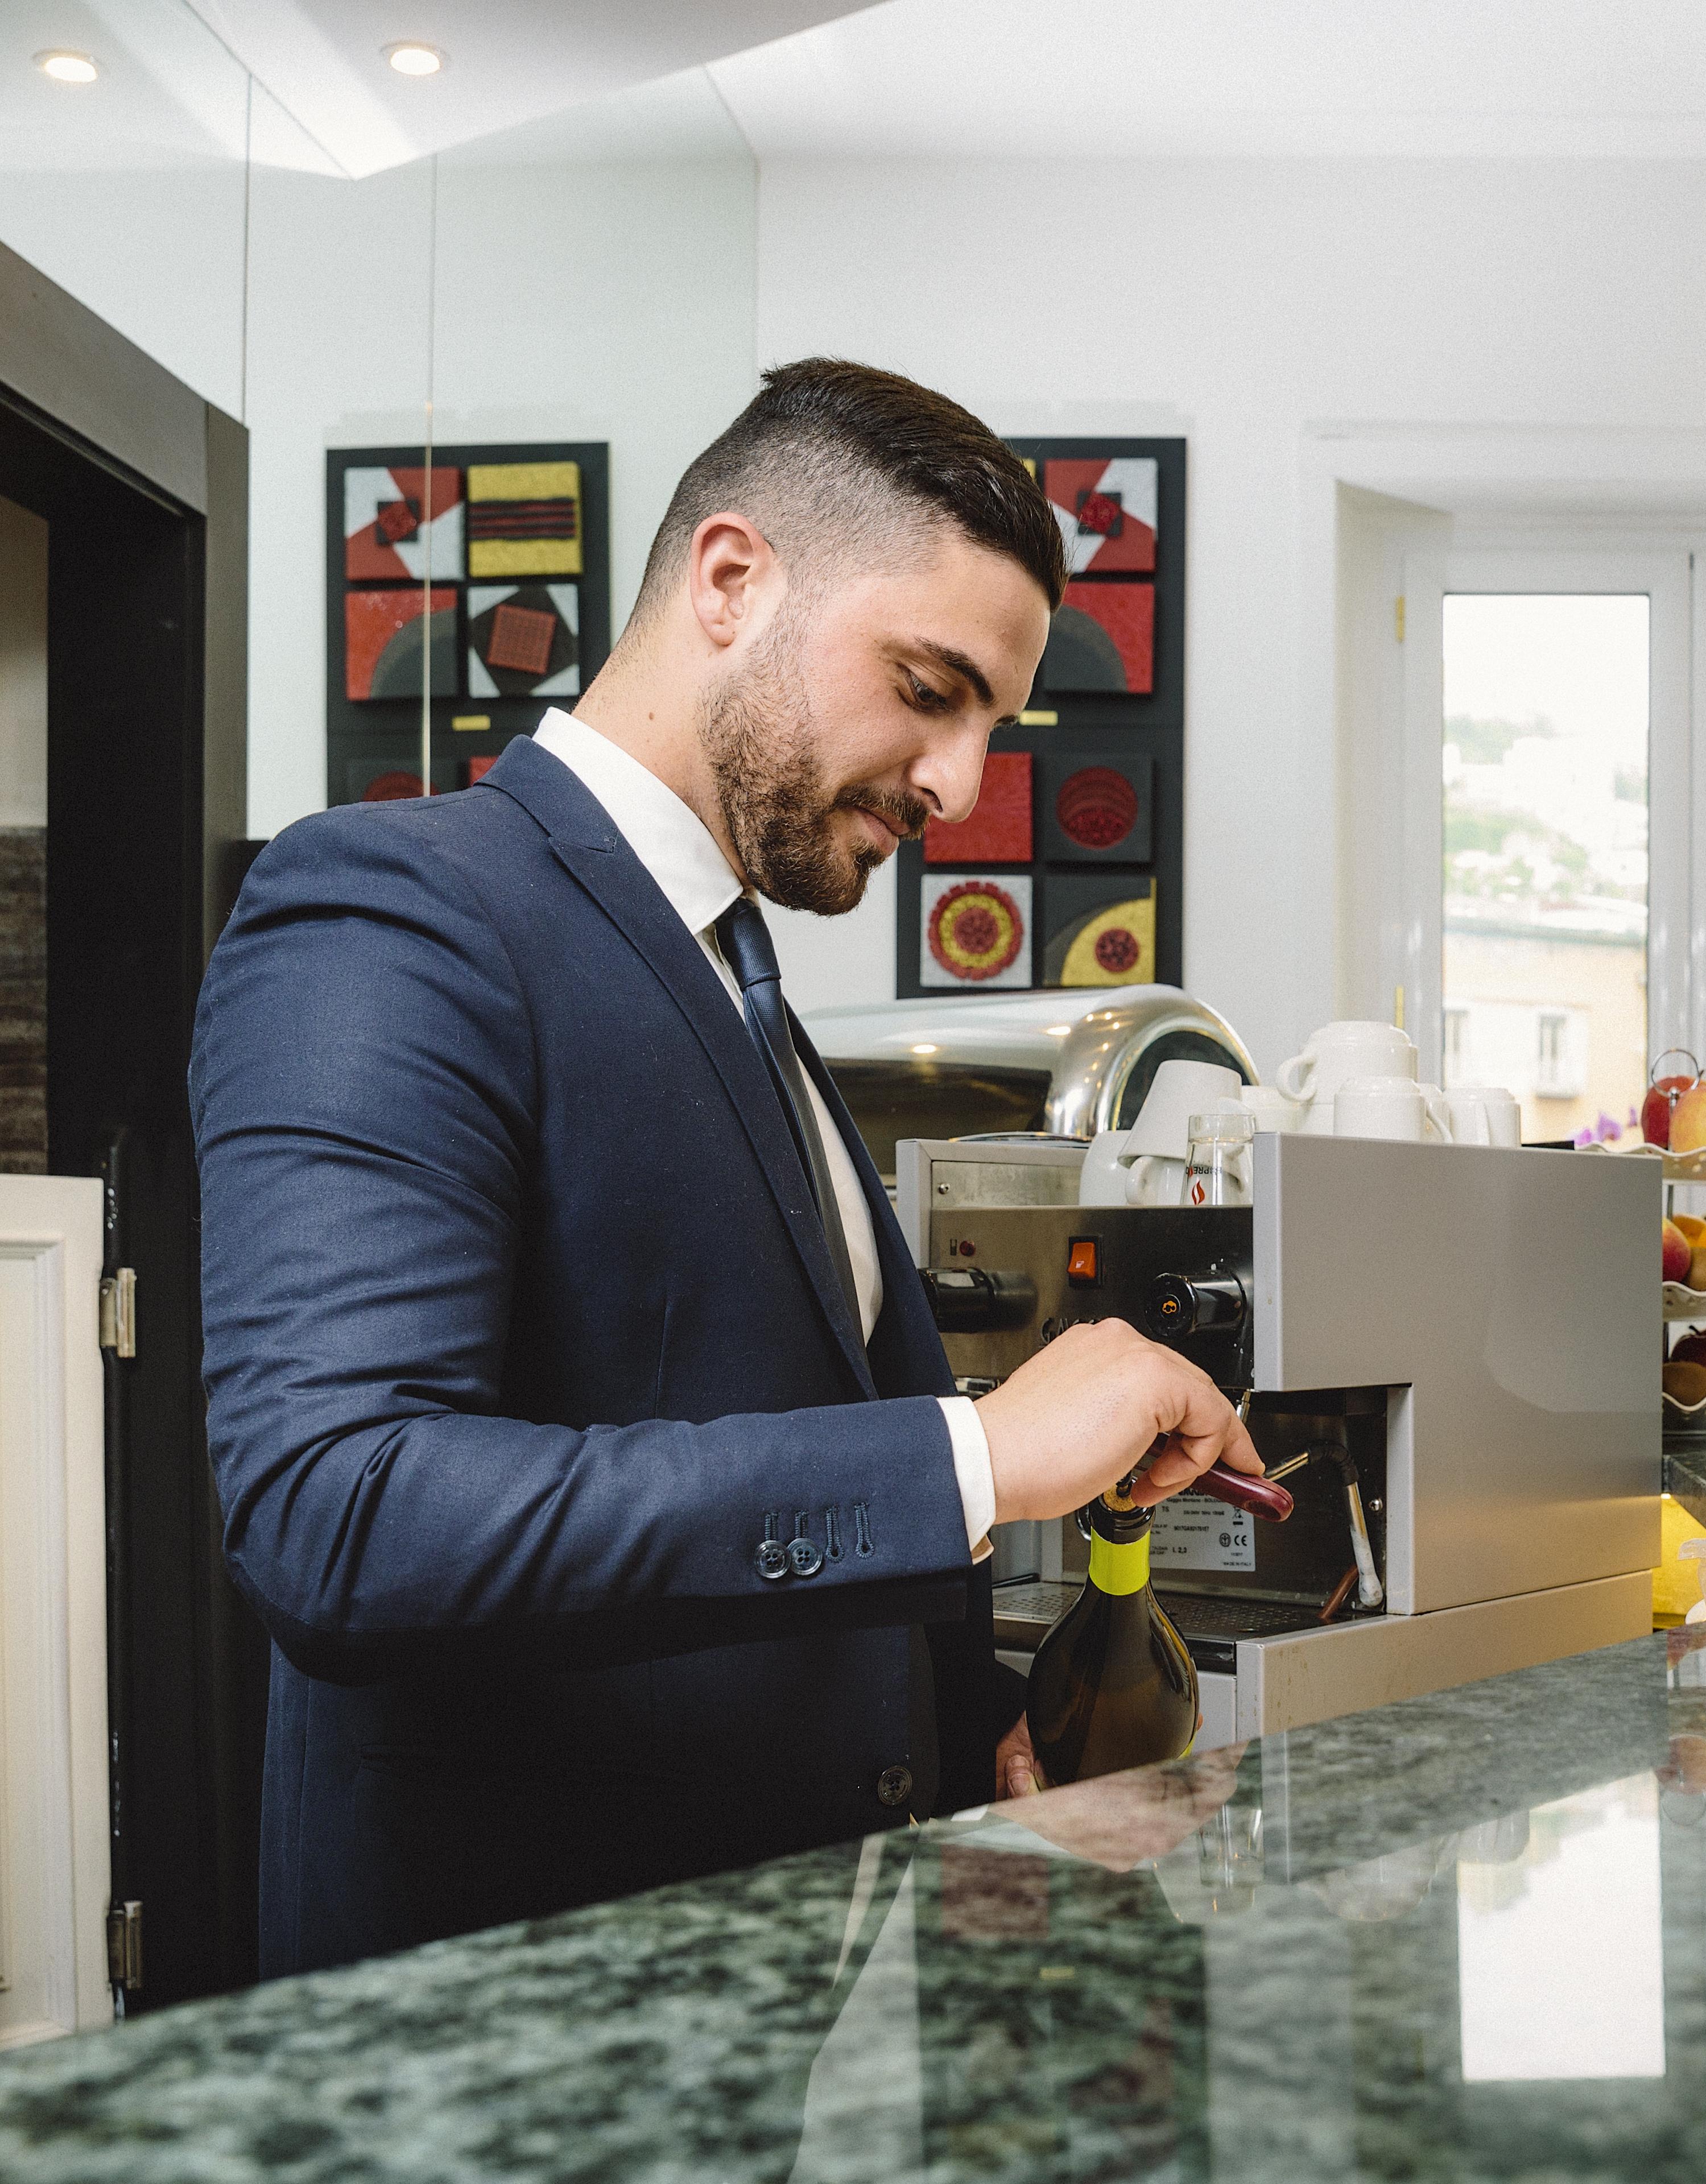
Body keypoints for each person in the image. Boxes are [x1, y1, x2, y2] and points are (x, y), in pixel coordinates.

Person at [195, 359, 1263, 1977]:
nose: (961, 787)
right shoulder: (393, 909)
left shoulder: (733, 977)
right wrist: (972, 1461)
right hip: (490, 2051)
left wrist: (977, 1742)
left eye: (990, 724)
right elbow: (341, 1513)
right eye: (927, 687)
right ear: (731, 580)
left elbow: (736, 1466)